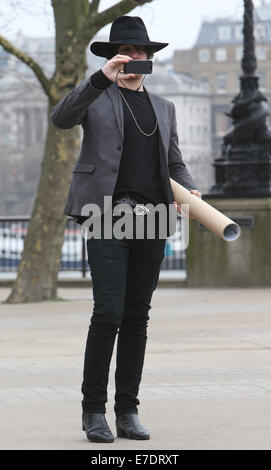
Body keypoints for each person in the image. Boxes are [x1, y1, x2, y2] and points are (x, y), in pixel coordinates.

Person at [50, 15, 201, 443]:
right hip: (106, 216)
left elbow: (174, 163)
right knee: (108, 314)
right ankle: (93, 411)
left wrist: (191, 191)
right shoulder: (95, 97)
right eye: (128, 51)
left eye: (142, 52)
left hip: (152, 220)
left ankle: (128, 411)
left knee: (137, 317)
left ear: (151, 57)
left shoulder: (164, 108)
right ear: (114, 55)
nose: (136, 58)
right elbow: (60, 118)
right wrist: (101, 77)